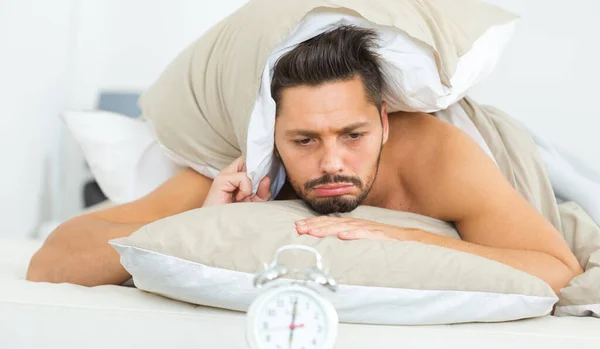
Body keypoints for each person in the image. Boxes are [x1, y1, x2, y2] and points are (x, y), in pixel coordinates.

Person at [27, 26, 583, 294]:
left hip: (514, 150)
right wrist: (200, 218)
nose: (332, 162)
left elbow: (559, 267)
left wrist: (408, 237)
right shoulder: (250, 171)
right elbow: (51, 263)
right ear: (272, 136)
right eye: (305, 141)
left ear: (386, 123)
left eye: (353, 134)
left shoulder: (438, 158)